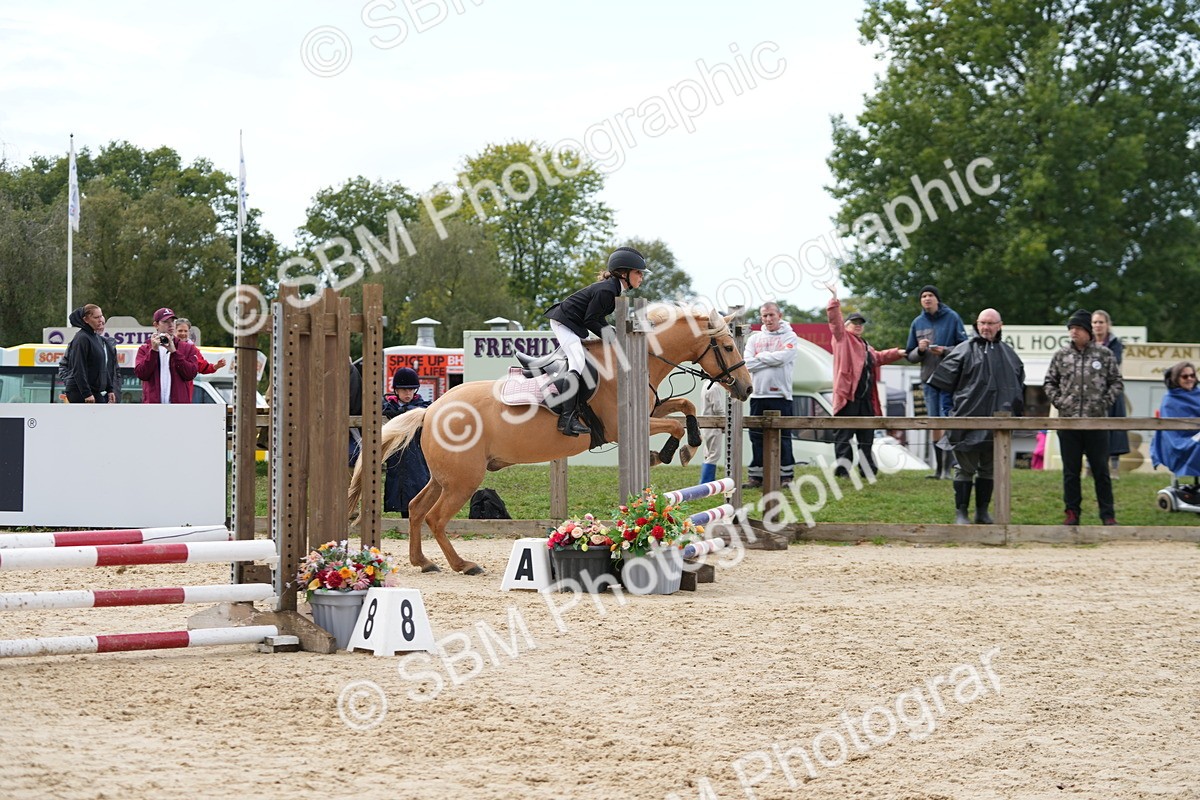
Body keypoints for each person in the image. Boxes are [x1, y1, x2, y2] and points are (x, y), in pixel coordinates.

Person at [928, 309, 1025, 523]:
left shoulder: (1010, 355)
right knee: (964, 469)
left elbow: (1019, 389)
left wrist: (1013, 417)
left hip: (996, 426)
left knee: (989, 470)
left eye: (991, 323)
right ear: (976, 324)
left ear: (1000, 325)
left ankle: (982, 512)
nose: (986, 327)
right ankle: (961, 512)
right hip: (966, 422)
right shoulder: (963, 350)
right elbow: (943, 386)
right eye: (982, 323)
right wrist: (948, 416)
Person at [544, 246, 649, 437]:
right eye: (638, 272)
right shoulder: (607, 291)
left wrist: (613, 334)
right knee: (577, 362)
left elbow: (597, 319)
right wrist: (613, 338)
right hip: (564, 323)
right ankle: (566, 419)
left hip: (574, 324)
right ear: (624, 273)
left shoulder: (613, 290)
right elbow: (590, 320)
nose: (641, 276)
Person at [1044, 309, 1123, 525]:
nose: (1073, 332)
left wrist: (1103, 403)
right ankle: (1072, 512)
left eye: (1078, 328)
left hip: (1096, 423)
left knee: (1101, 471)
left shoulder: (1104, 354)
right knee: (1071, 472)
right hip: (1068, 424)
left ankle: (1108, 515)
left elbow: (1116, 382)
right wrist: (1061, 402)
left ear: (1088, 331)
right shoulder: (1061, 355)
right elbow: (1049, 382)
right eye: (1071, 328)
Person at [826, 284, 904, 478]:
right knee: (844, 436)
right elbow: (834, 321)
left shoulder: (865, 345)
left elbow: (879, 357)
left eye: (861, 322)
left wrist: (900, 352)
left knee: (866, 436)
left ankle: (867, 469)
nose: (858, 325)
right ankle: (843, 470)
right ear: (846, 326)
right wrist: (834, 299)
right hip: (847, 396)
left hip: (866, 399)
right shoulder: (842, 338)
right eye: (854, 322)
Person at [905, 285, 968, 479]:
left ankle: (949, 469)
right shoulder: (917, 322)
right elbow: (910, 355)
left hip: (949, 379)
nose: (927, 299)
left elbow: (965, 347)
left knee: (948, 420)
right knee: (933, 422)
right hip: (929, 380)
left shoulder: (952, 318)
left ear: (937, 299)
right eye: (923, 296)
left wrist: (945, 351)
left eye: (930, 295)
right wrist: (921, 350)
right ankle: (939, 469)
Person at [743, 301, 798, 488]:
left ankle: (786, 477)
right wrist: (770, 358)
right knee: (756, 437)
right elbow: (747, 363)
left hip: (781, 396)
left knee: (784, 437)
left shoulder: (790, 336)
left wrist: (760, 357)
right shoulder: (753, 339)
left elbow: (784, 358)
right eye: (764, 316)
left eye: (771, 315)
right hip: (758, 395)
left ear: (779, 315)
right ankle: (756, 476)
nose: (768, 319)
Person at [382, 367, 430, 516]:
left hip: (417, 454)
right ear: (396, 391)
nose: (408, 393)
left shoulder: (424, 408)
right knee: (399, 486)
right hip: (396, 456)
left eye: (411, 390)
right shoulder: (386, 408)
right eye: (404, 390)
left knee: (418, 486)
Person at [1091, 310, 1129, 478]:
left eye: (1101, 322)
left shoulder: (1115, 343)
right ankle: (1089, 467)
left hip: (1112, 391)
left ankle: (1114, 468)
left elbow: (1113, 364)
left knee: (1115, 427)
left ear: (1108, 324)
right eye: (1095, 322)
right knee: (1089, 430)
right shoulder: (1087, 343)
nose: (1098, 325)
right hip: (1090, 392)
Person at [134, 307, 200, 404]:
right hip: (153, 409)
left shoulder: (187, 348)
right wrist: (153, 351)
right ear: (156, 325)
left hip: (178, 408)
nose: (171, 325)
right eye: (166, 322)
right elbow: (141, 374)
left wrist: (174, 352)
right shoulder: (145, 348)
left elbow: (191, 374)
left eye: (172, 321)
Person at [63, 304, 121, 404]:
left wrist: (110, 389)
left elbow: (102, 367)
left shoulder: (96, 338)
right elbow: (78, 368)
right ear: (86, 319)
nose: (100, 320)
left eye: (101, 316)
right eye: (96, 317)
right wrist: (86, 393)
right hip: (81, 392)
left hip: (94, 391)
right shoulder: (82, 338)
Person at [1150, 361, 1200, 477]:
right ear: (1176, 378)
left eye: (1192, 375)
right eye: (1185, 376)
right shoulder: (1170, 400)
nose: (1189, 379)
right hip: (1181, 443)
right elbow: (1171, 434)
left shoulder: (1198, 394)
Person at [699, 370, 728, 486]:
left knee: (708, 453)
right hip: (714, 424)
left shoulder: (706, 385)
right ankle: (707, 482)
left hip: (706, 424)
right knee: (714, 454)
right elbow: (718, 408)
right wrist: (725, 421)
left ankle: (706, 480)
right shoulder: (713, 387)